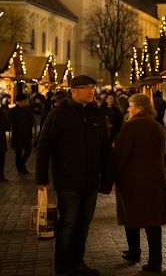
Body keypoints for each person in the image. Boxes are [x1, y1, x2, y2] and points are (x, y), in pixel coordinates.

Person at [36, 75, 115, 276]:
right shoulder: (58, 115)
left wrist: (106, 180)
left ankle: (77, 261)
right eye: (87, 87)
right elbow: (43, 146)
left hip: (90, 181)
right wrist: (42, 178)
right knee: (68, 223)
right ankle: (63, 266)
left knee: (84, 224)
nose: (91, 91)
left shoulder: (97, 115)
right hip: (68, 180)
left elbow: (105, 150)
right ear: (73, 91)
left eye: (93, 87)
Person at [114, 93, 166, 274]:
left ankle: (136, 253)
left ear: (140, 108)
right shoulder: (157, 126)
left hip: (133, 180)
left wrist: (111, 176)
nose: (128, 109)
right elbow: (163, 150)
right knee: (152, 221)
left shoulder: (130, 126)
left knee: (132, 216)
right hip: (154, 179)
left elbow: (121, 155)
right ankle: (154, 260)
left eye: (131, 106)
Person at [8, 93, 34, 174]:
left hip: (26, 134)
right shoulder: (13, 111)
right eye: (22, 101)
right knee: (18, 152)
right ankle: (20, 167)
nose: (24, 103)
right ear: (18, 102)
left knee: (28, 150)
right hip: (17, 135)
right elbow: (10, 121)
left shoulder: (28, 110)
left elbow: (32, 120)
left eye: (24, 101)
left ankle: (21, 164)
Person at [0, 104, 9, 182]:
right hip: (1, 138)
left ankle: (1, 175)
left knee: (1, 158)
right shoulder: (1, 112)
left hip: (1, 139)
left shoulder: (1, 112)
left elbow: (5, 123)